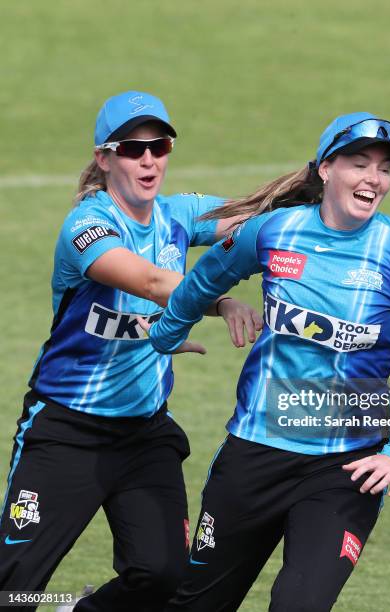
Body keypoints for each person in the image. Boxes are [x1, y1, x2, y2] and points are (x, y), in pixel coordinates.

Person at [142, 112, 390, 612]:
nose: (374, 179)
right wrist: (166, 335)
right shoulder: (272, 231)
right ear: (326, 169)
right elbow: (203, 282)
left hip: (344, 467)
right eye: (359, 163)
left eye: (384, 168)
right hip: (254, 455)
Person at [0, 90, 261, 612]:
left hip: (144, 435)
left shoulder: (179, 215)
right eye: (132, 148)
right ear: (104, 157)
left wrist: (323, 179)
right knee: (14, 591)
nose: (148, 159)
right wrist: (220, 301)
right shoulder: (87, 228)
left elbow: (259, 219)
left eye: (159, 146)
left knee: (162, 576)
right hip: (66, 432)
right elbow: (146, 280)